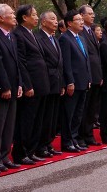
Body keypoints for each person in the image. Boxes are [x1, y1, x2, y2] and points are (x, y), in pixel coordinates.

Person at [12, 4, 50, 165]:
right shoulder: (19, 34)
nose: (36, 17)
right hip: (31, 86)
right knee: (26, 121)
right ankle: (20, 153)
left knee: (37, 121)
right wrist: (27, 85)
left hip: (41, 84)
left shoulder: (32, 34)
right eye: (33, 15)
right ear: (24, 17)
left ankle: (31, 150)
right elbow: (21, 62)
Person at [0, 4, 23, 172]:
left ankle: (5, 156)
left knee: (9, 125)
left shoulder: (11, 36)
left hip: (13, 87)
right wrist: (2, 86)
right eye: (11, 14)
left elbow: (16, 63)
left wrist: (19, 83)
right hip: (2, 88)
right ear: (0, 18)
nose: (14, 16)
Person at [59, 10, 91, 153]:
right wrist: (69, 82)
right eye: (78, 19)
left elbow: (86, 60)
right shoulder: (65, 39)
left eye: (81, 19)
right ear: (69, 23)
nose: (81, 21)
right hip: (73, 83)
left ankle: (74, 138)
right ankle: (67, 142)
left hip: (83, 81)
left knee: (78, 114)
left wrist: (89, 77)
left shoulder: (82, 38)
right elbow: (66, 63)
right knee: (69, 114)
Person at [35, 11, 65, 158]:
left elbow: (60, 63)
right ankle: (40, 146)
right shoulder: (38, 38)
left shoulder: (55, 39)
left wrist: (63, 84)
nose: (56, 21)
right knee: (45, 117)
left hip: (57, 83)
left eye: (56, 19)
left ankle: (48, 143)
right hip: (46, 83)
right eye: (52, 19)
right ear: (43, 22)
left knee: (53, 117)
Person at [79, 5, 103, 147]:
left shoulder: (91, 32)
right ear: (81, 15)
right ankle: (81, 136)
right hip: (87, 77)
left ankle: (88, 135)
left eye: (93, 13)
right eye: (89, 13)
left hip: (96, 76)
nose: (93, 16)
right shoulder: (80, 33)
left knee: (92, 109)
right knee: (84, 109)